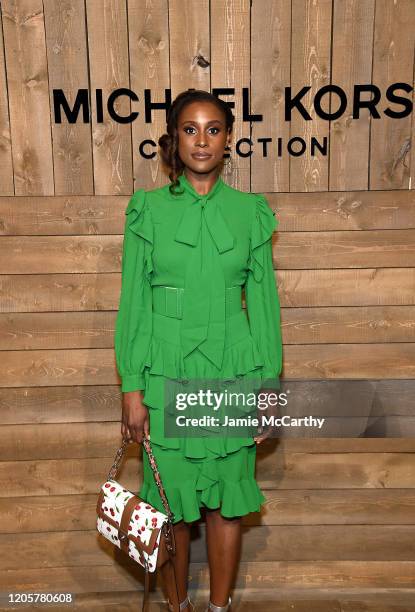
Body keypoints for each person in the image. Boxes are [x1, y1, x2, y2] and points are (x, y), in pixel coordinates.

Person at [114, 89, 283, 612]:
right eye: (191, 129)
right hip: (164, 374)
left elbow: (265, 308)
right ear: (174, 139)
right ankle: (177, 608)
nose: (202, 140)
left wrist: (268, 393)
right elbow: (134, 305)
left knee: (226, 507)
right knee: (170, 507)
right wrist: (131, 386)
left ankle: (219, 608)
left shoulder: (250, 213)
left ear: (229, 138)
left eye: (214, 128)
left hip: (233, 374)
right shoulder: (146, 211)